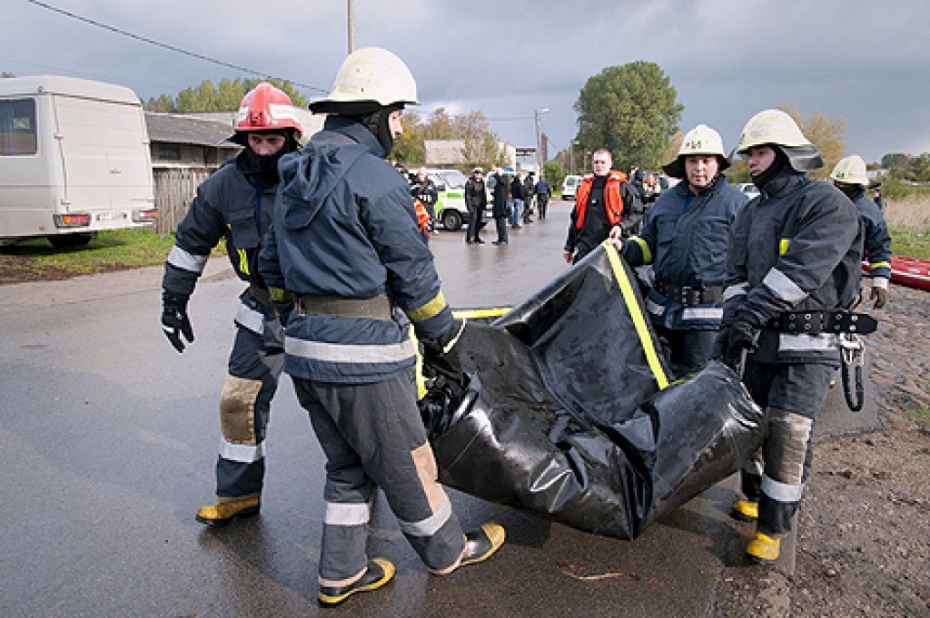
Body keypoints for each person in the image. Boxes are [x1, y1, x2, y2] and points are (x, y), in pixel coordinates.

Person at [257, 47, 505, 607]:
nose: (399, 126)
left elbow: (270, 265)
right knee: (408, 460)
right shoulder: (376, 178)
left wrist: (294, 321)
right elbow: (413, 274)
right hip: (363, 356)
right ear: (373, 115)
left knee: (347, 464)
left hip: (303, 350)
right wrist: (443, 337)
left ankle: (340, 571)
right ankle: (445, 551)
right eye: (397, 115)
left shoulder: (292, 173)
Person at [715, 109, 863, 565]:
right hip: (762, 340)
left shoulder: (826, 204)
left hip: (810, 345)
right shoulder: (752, 211)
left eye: (759, 153)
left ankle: (774, 526)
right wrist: (731, 321)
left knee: (789, 431)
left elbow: (802, 269)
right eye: (750, 154)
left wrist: (752, 312)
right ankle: (756, 497)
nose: (751, 162)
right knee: (752, 423)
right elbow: (736, 274)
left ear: (784, 155)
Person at [159, 83, 302, 526]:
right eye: (255, 140)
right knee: (237, 402)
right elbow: (190, 244)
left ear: (290, 139)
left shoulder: (314, 176)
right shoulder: (222, 187)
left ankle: (360, 490)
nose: (262, 150)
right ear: (243, 140)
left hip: (317, 312)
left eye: (272, 140)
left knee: (343, 409)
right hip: (261, 310)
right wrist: (173, 300)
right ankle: (238, 495)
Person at [610, 124, 747, 376]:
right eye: (693, 161)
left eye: (706, 160)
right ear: (683, 164)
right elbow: (648, 246)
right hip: (662, 313)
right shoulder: (666, 201)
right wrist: (623, 248)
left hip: (706, 321)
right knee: (654, 381)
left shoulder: (736, 205)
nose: (699, 168)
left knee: (696, 392)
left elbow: (747, 263)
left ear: (718, 163)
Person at [831, 155, 892, 308]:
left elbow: (880, 248)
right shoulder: (826, 204)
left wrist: (880, 281)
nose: (840, 187)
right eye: (838, 183)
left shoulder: (869, 213)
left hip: (846, 275)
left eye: (845, 185)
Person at [563, 148, 642, 264]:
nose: (599, 166)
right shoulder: (584, 188)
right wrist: (569, 247)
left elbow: (637, 213)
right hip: (585, 247)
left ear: (610, 164)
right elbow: (575, 219)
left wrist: (621, 226)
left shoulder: (623, 188)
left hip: (611, 245)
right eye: (596, 162)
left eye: (603, 162)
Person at [411, 168, 439, 235]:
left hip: (427, 212)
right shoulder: (413, 185)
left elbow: (434, 198)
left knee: (426, 234)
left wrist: (423, 198)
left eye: (422, 174)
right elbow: (410, 196)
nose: (420, 176)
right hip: (417, 213)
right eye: (419, 174)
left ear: (426, 175)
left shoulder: (431, 185)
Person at [464, 166, 487, 244]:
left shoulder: (482, 182)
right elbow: (468, 195)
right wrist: (469, 206)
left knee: (478, 221)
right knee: (472, 221)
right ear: (474, 174)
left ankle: (476, 237)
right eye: (477, 174)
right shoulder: (470, 182)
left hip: (480, 204)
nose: (479, 175)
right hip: (473, 204)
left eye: (480, 174)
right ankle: (469, 237)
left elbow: (483, 193)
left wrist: (484, 204)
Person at [491, 167, 512, 245]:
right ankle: (500, 238)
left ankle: (503, 239)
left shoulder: (504, 179)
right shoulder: (500, 181)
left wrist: (497, 174)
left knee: (501, 223)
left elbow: (501, 182)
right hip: (498, 205)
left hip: (501, 206)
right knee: (498, 223)